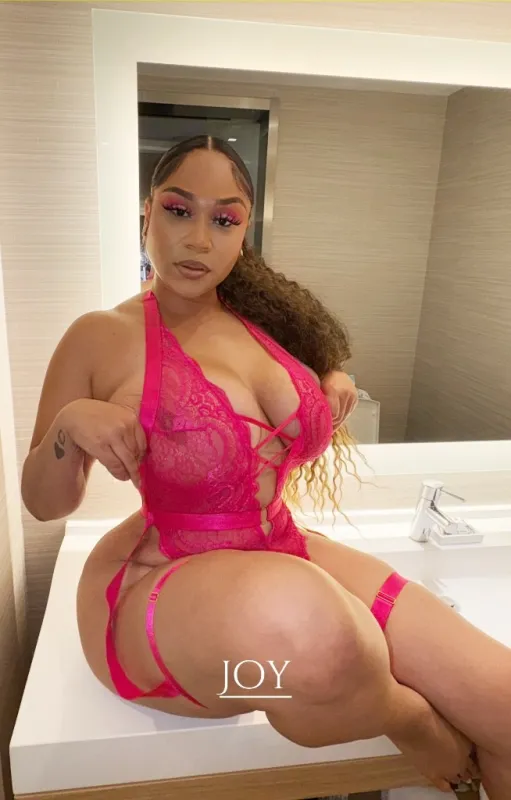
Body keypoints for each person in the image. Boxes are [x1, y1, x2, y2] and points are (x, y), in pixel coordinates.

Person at [21, 136, 509, 798]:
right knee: (314, 645)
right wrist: (68, 426)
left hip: (277, 545)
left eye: (224, 219)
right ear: (146, 213)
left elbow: (297, 402)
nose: (198, 238)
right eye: (178, 210)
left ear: (244, 231)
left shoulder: (265, 325)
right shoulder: (100, 336)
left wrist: (330, 385)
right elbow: (44, 504)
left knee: (502, 703)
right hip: (157, 586)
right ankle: (407, 720)